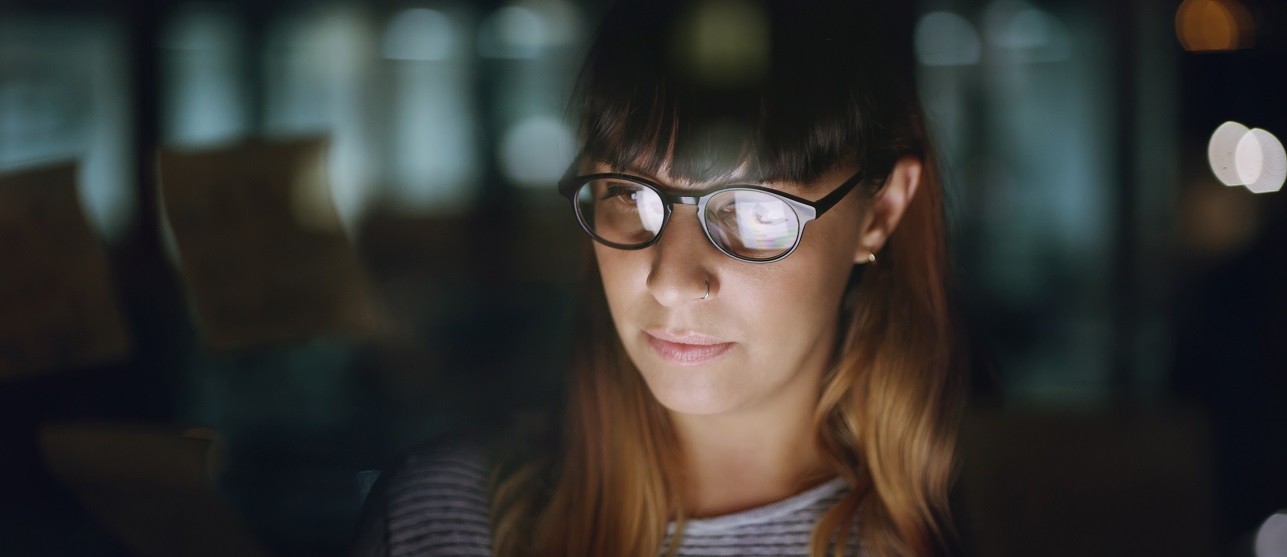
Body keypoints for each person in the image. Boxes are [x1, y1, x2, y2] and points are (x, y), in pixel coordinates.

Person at [353, 0, 967, 555]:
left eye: (753, 210)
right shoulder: (441, 522)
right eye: (627, 192)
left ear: (879, 213)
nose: (671, 281)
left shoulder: (995, 524)